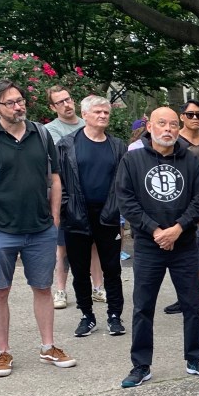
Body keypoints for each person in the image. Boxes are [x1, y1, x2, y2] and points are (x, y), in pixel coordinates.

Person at [0, 80, 76, 379]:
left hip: (41, 229)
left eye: (20, 100)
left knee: (43, 288)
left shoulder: (41, 135)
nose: (18, 106)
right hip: (1, 230)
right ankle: (3, 352)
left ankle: (48, 346)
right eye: (10, 103)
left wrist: (54, 220)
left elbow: (54, 179)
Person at [115, 106, 199, 387]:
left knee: (192, 304)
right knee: (143, 306)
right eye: (162, 123)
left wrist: (177, 228)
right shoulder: (132, 161)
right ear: (150, 127)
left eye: (173, 124)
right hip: (148, 245)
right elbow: (126, 200)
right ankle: (141, 365)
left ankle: (195, 358)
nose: (168, 129)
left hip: (183, 244)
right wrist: (156, 230)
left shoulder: (192, 161)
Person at [57, 94, 128, 339]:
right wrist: (66, 206)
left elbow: (123, 182)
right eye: (97, 112)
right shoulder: (67, 144)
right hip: (76, 214)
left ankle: (115, 316)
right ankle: (86, 315)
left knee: (112, 268)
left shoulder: (117, 146)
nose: (102, 116)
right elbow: (58, 180)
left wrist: (116, 208)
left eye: (106, 112)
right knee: (79, 269)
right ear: (84, 115)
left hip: (108, 213)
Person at [162, 100, 199, 321]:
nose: (195, 118)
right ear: (182, 116)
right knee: (184, 255)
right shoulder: (175, 141)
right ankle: (187, 296)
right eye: (190, 114)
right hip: (180, 200)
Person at [45, 85, 91, 311]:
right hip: (65, 195)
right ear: (52, 107)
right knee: (62, 246)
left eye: (69, 99)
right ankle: (60, 290)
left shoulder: (87, 122)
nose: (67, 104)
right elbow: (61, 158)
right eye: (60, 101)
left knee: (93, 245)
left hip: (91, 193)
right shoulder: (50, 130)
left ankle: (98, 287)